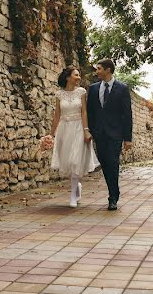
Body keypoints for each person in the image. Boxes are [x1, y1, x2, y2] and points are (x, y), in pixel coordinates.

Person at [49, 66, 99, 207]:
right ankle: (77, 186)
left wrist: (86, 130)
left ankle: (72, 196)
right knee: (69, 163)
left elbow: (84, 112)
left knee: (75, 160)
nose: (79, 78)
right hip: (64, 129)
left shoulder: (81, 92)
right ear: (68, 77)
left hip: (78, 127)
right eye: (76, 75)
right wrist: (51, 134)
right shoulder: (59, 94)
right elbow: (57, 114)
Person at [86, 58, 133, 210]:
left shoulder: (122, 88)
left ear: (108, 70)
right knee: (105, 163)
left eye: (99, 68)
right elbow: (90, 112)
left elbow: (127, 114)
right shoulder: (93, 89)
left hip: (115, 133)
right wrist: (90, 130)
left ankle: (113, 196)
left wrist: (127, 138)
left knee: (113, 162)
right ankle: (113, 191)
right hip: (99, 133)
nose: (96, 71)